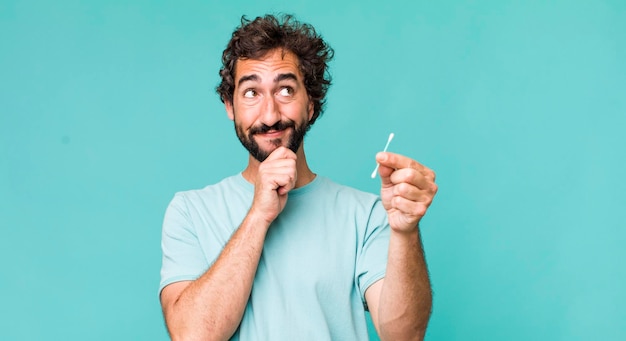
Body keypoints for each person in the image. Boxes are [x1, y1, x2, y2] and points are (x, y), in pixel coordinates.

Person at [159, 14, 438, 341]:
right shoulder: (189, 211)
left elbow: (404, 335)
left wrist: (406, 233)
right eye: (251, 93)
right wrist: (259, 214)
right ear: (229, 105)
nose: (270, 115)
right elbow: (192, 336)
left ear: (311, 105)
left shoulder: (368, 215)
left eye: (286, 90)